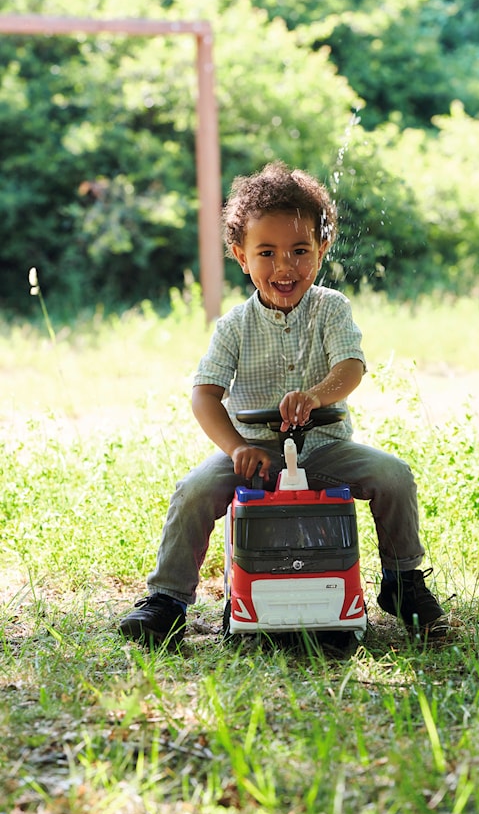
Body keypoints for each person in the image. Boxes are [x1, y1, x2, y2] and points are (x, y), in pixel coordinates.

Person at [119, 161, 448, 648]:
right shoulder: (234, 325)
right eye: (267, 253)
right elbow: (204, 393)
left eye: (299, 251)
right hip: (254, 452)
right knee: (194, 490)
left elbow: (351, 367)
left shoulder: (331, 307)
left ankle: (403, 582)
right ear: (241, 256)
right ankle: (167, 601)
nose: (284, 267)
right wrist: (233, 448)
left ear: (321, 249)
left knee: (393, 476)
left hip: (324, 449)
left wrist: (316, 396)